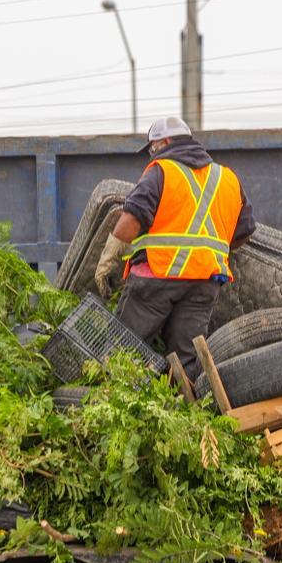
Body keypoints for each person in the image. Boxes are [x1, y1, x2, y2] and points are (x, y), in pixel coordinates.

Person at [93, 116, 255, 379]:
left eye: (152, 147)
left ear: (165, 142)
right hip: (204, 283)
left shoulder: (161, 170)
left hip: (157, 275)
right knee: (186, 361)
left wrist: (107, 261)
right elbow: (244, 231)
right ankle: (184, 403)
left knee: (124, 352)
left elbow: (132, 219)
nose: (151, 153)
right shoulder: (227, 178)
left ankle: (114, 397)